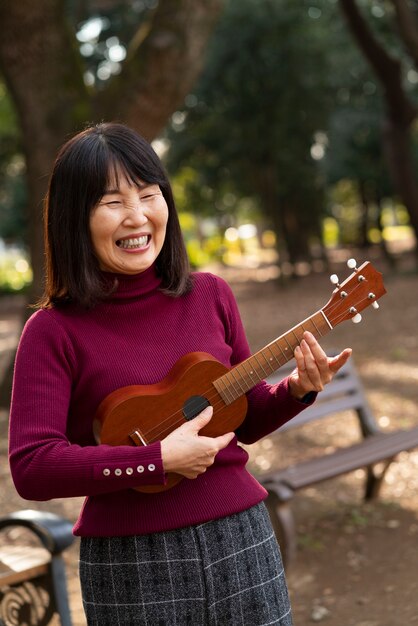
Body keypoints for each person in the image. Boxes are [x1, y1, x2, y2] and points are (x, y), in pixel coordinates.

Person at [8, 122, 351, 626]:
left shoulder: (211, 294)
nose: (137, 215)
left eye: (149, 194)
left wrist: (297, 391)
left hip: (243, 538)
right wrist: (155, 461)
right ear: (73, 218)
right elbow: (33, 466)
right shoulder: (52, 331)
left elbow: (241, 414)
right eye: (112, 202)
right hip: (132, 565)